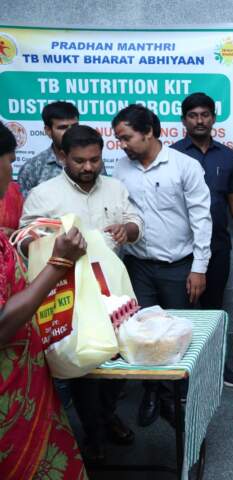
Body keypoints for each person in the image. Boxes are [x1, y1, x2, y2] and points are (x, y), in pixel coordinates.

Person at [19, 124, 142, 463]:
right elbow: (24, 238)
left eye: (95, 160)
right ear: (62, 156)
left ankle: (107, 415)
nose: (88, 167)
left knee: (119, 358)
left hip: (113, 291)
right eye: (79, 161)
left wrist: (127, 229)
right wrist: (50, 242)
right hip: (69, 294)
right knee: (83, 365)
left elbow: (135, 222)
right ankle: (94, 431)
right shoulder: (43, 194)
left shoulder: (115, 187)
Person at [112, 104, 212, 428]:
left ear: (149, 132)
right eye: (119, 139)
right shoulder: (121, 169)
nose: (122, 145)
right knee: (143, 332)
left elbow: (201, 218)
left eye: (126, 137)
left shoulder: (184, 166)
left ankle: (172, 397)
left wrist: (199, 267)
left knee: (175, 334)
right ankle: (151, 392)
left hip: (177, 267)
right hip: (138, 266)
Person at [0, 121, 88, 479]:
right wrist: (59, 263)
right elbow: (2, 325)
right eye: (10, 160)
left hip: (25, 378)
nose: (11, 172)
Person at [171, 92, 233, 388]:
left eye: (205, 115)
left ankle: (218, 365)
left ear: (213, 118)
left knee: (214, 309)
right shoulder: (173, 155)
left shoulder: (226, 155)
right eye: (193, 115)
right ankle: (181, 372)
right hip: (181, 249)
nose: (199, 121)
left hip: (218, 246)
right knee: (180, 311)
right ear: (183, 120)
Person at [17, 101, 79, 196]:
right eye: (63, 127)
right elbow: (23, 203)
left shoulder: (91, 163)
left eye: (75, 126)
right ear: (48, 131)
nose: (71, 132)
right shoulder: (32, 168)